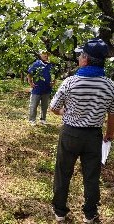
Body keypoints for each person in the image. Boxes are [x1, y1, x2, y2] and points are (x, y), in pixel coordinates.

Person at [50, 38, 113, 223]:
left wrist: (64, 111)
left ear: (85, 59)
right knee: (92, 176)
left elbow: (54, 107)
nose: (78, 59)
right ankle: (89, 213)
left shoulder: (71, 82)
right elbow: (112, 113)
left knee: (63, 172)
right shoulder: (109, 85)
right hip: (93, 135)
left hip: (70, 133)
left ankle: (60, 211)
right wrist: (110, 134)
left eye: (80, 55)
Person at [27, 51, 55, 125]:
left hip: (46, 89)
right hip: (37, 89)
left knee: (44, 106)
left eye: (47, 54)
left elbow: (54, 74)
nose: (46, 56)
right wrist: (30, 83)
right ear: (40, 55)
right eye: (44, 54)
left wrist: (53, 82)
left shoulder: (50, 65)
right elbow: (29, 74)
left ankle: (43, 119)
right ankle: (32, 120)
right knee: (33, 105)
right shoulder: (36, 64)